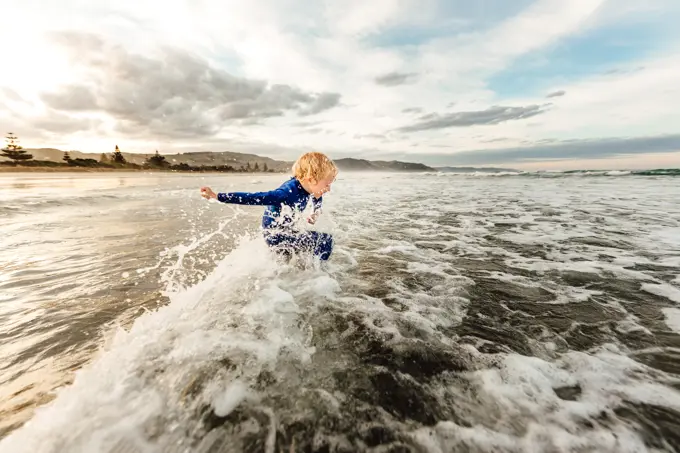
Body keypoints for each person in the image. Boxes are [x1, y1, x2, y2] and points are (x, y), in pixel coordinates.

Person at [200, 152, 337, 261]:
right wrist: (217, 196)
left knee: (315, 242)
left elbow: (317, 198)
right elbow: (254, 197)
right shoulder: (285, 193)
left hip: (287, 232)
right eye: (327, 184)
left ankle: (300, 269)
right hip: (276, 236)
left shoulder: (309, 186)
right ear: (311, 179)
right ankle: (316, 274)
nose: (328, 189)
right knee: (325, 241)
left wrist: (316, 212)